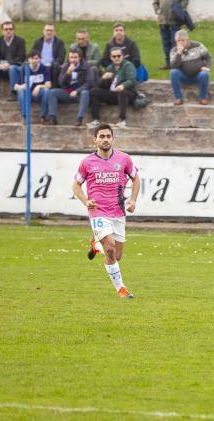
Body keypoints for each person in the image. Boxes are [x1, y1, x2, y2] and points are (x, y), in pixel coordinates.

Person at [72, 123, 140, 299]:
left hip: (118, 211)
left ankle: (96, 245)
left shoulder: (124, 159)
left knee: (116, 255)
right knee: (109, 249)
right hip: (98, 211)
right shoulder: (87, 162)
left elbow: (136, 178)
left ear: (113, 139)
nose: (105, 139)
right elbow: (76, 185)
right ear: (95, 140)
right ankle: (121, 289)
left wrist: (132, 200)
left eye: (108, 136)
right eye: (101, 136)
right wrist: (86, 201)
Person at [87, 47, 138, 129]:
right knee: (94, 92)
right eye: (114, 56)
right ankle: (95, 120)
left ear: (123, 56)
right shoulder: (109, 68)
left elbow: (132, 80)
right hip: (113, 94)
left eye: (119, 56)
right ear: (111, 58)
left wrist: (123, 85)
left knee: (122, 92)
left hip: (128, 94)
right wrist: (103, 79)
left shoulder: (128, 65)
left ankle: (122, 120)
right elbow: (101, 86)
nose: (117, 58)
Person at [46, 50, 96, 126]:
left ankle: (80, 119)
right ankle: (53, 118)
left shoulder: (86, 67)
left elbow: (89, 82)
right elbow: (61, 83)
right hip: (68, 92)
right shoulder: (65, 67)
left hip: (79, 93)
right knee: (52, 92)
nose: (73, 60)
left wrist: (77, 91)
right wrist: (68, 73)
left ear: (79, 58)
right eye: (71, 57)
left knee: (85, 93)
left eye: (75, 57)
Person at [153, 0, 189, 68]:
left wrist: (179, 10)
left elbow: (185, 0)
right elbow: (155, 2)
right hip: (162, 21)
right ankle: (168, 63)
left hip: (175, 21)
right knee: (166, 43)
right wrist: (157, 10)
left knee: (176, 43)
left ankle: (176, 62)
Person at [0, 21, 26, 101]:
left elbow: (21, 57)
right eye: (6, 29)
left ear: (13, 30)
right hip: (1, 67)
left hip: (15, 67)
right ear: (2, 31)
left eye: (10, 29)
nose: (8, 31)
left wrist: (9, 64)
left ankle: (13, 93)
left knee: (12, 68)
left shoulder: (20, 41)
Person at [169, 29, 212, 105]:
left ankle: (202, 98)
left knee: (204, 74)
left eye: (183, 40)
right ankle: (179, 98)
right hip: (183, 76)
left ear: (187, 40)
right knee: (173, 72)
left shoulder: (198, 45)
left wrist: (207, 67)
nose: (180, 42)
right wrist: (179, 53)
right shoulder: (174, 50)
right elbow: (174, 66)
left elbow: (208, 58)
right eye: (178, 41)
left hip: (198, 75)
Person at [14, 51, 52, 122]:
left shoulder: (44, 68)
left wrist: (39, 86)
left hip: (38, 94)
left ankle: (43, 116)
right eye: (32, 58)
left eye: (36, 58)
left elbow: (48, 85)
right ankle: (24, 116)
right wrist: (22, 86)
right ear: (29, 60)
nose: (34, 60)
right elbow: (15, 86)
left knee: (47, 91)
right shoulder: (25, 69)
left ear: (40, 59)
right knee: (20, 91)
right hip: (28, 94)